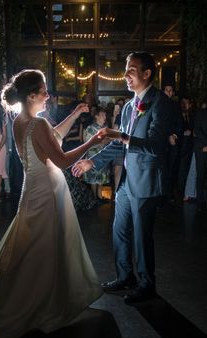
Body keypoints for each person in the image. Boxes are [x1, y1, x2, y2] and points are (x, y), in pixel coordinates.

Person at [0, 69, 103, 338]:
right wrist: (94, 141)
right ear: (31, 95)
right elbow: (63, 160)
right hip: (46, 192)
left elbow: (53, 136)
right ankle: (40, 306)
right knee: (43, 250)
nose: (47, 94)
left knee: (31, 248)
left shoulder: (22, 121)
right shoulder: (37, 124)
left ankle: (30, 301)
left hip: (32, 189)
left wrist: (76, 113)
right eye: (43, 90)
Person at [72, 52, 173, 303]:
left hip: (146, 181)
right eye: (126, 69)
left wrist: (121, 136)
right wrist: (91, 162)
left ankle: (146, 285)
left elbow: (155, 146)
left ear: (147, 74)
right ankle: (125, 276)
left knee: (141, 236)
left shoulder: (161, 103)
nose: (126, 74)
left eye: (131, 69)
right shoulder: (129, 106)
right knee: (120, 231)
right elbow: (120, 146)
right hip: (126, 181)